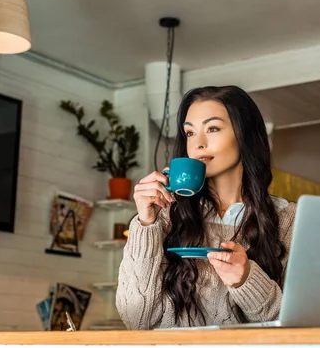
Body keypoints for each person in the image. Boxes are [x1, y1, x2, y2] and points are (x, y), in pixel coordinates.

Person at [116, 85, 297, 329]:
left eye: (212, 128)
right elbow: (136, 321)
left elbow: (294, 326)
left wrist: (246, 280)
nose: (198, 144)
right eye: (190, 133)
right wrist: (145, 224)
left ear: (244, 136)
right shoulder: (166, 215)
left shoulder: (288, 220)